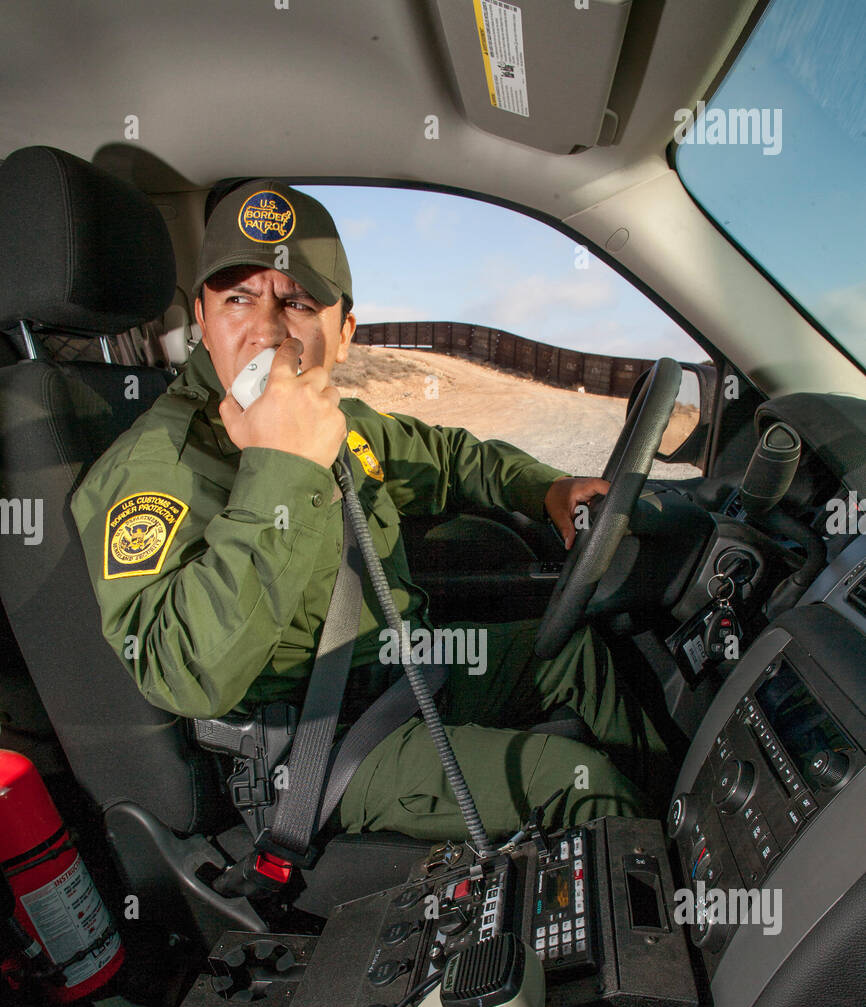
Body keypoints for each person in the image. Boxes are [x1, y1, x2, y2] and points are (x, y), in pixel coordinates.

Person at [72, 180, 671, 844]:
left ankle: (678, 826)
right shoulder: (154, 466)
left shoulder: (343, 418)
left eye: (296, 301)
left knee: (578, 654)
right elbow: (182, 673)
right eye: (237, 298)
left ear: (344, 332)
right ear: (203, 319)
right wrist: (283, 468)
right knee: (566, 782)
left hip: (405, 672)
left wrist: (543, 489)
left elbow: (446, 458)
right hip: (314, 742)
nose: (265, 329)